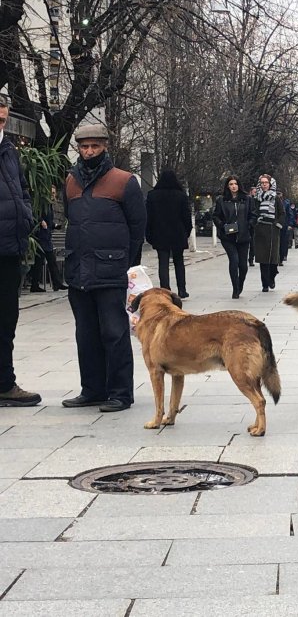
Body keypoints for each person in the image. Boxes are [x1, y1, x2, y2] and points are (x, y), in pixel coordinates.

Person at [61, 123, 146, 413]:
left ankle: (121, 392)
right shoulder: (70, 181)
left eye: (94, 146)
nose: (88, 151)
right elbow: (72, 218)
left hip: (111, 270)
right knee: (85, 334)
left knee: (114, 332)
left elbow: (137, 227)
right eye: (84, 147)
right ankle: (92, 389)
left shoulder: (123, 181)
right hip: (78, 270)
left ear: (105, 146)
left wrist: (125, 261)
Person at [0, 97, 42, 407]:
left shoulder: (9, 151)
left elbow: (22, 190)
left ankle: (5, 382)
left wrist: (25, 216)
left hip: (9, 249)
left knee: (7, 319)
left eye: (2, 121)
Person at [145, 170, 192, 299]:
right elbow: (186, 217)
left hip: (159, 233)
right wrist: (187, 232)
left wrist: (149, 234)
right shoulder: (181, 196)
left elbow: (148, 217)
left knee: (163, 263)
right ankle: (182, 289)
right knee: (179, 262)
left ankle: (165, 290)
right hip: (178, 233)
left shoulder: (152, 196)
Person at [213, 175, 256, 298]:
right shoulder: (221, 200)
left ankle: (240, 283)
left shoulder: (247, 199)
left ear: (239, 185)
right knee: (234, 260)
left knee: (243, 265)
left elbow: (253, 215)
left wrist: (248, 225)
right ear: (228, 186)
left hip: (243, 236)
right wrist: (222, 225)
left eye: (235, 184)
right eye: (231, 184)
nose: (233, 186)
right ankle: (235, 288)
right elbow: (216, 216)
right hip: (228, 237)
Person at [29, 184, 67, 292]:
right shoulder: (42, 204)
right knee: (43, 261)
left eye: (54, 193)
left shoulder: (49, 205)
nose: (53, 195)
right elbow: (35, 214)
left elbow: (49, 222)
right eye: (51, 193)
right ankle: (38, 284)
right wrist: (41, 221)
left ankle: (56, 283)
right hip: (41, 237)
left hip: (46, 237)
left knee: (49, 261)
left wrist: (55, 225)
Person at [253, 174, 284, 291]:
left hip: (273, 230)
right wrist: (255, 222)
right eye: (262, 183)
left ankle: (272, 276)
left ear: (270, 184)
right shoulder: (257, 198)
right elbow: (254, 212)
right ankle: (265, 284)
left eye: (266, 182)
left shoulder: (276, 198)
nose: (264, 184)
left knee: (273, 258)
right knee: (263, 258)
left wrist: (278, 224)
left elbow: (282, 213)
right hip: (261, 229)